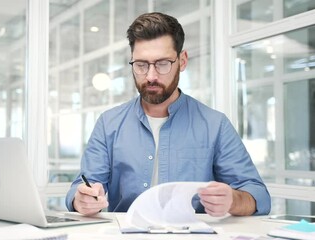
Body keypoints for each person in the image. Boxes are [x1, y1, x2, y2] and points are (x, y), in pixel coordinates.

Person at [65, 12, 271, 217]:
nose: (151, 76)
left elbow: (258, 195)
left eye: (162, 64)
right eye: (141, 65)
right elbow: (82, 187)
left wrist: (233, 200)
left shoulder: (215, 125)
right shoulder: (108, 123)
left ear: (182, 61)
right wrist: (81, 199)